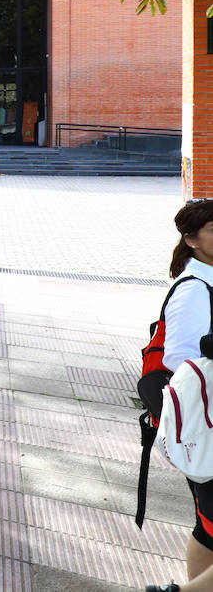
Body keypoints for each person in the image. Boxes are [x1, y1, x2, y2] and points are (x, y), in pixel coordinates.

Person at [145, 201, 213, 592]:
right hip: (207, 421)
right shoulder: (194, 288)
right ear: (191, 239)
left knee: (210, 524)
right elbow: (181, 358)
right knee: (210, 523)